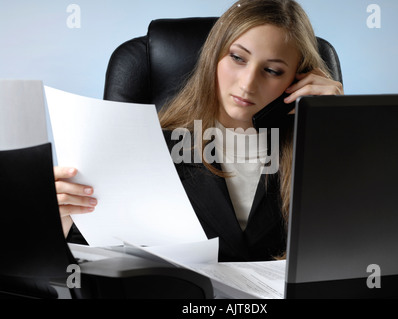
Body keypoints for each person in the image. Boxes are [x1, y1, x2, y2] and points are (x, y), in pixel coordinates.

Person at [54, 0, 343, 262]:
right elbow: (89, 254)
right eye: (238, 58)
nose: (247, 83)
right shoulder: (150, 144)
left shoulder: (313, 146)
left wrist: (341, 127)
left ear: (297, 78)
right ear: (213, 56)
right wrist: (61, 216)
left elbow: (359, 238)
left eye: (272, 71)